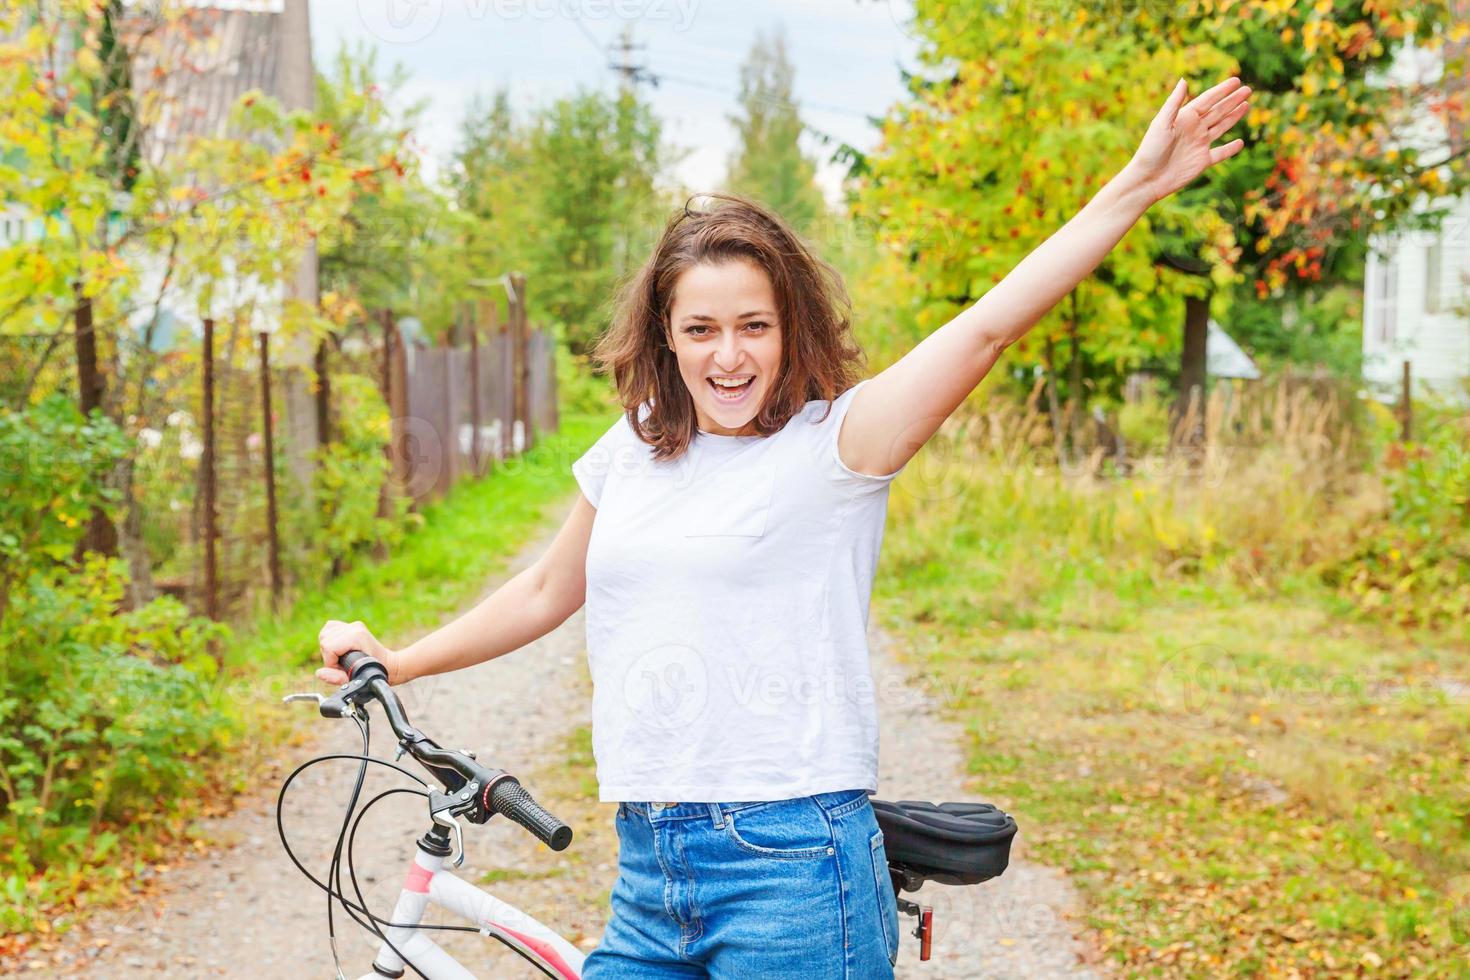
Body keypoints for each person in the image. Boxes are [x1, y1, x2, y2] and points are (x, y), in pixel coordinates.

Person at [317, 75, 1252, 978]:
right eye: (701, 330)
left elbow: (985, 329)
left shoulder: (839, 446)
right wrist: (396, 663)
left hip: (793, 866)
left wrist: (1136, 186)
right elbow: (546, 589)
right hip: (651, 865)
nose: (728, 356)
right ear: (666, 336)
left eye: (753, 327)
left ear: (788, 329)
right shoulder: (634, 448)